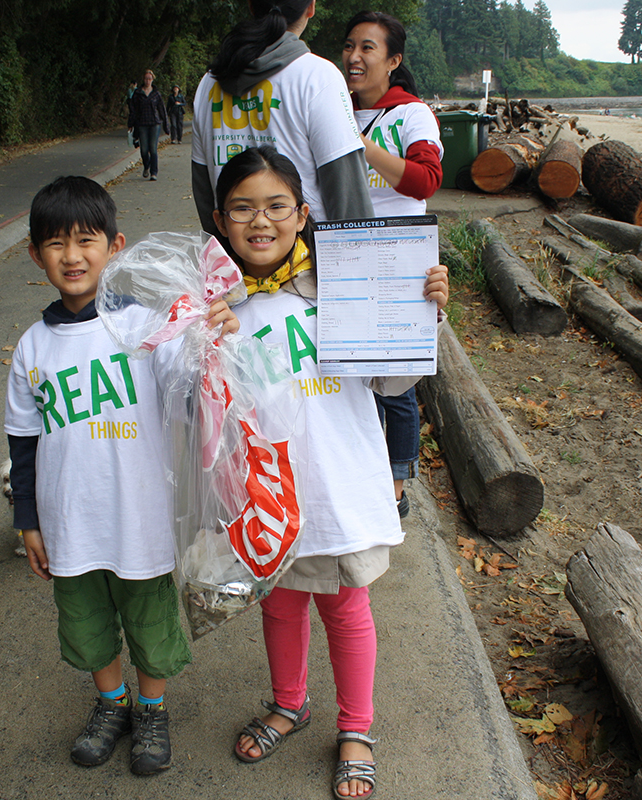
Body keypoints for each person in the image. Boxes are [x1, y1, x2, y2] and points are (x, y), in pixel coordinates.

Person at [211, 146, 448, 800]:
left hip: (339, 488)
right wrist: (195, 341)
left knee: (346, 608)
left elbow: (392, 379)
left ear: (303, 213)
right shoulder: (218, 309)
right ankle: (289, 704)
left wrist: (422, 313)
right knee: (281, 603)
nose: (261, 221)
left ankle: (357, 728)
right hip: (270, 498)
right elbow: (202, 410)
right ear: (220, 219)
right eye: (243, 208)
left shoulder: (345, 285)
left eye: (276, 206)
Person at [4, 176, 237, 776]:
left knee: (149, 619)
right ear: (35, 255)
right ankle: (112, 702)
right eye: (55, 244)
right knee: (85, 621)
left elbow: (192, 392)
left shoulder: (146, 329)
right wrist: (28, 520)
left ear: (115, 245)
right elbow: (23, 443)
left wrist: (208, 335)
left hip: (141, 517)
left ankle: (152, 709)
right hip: (69, 521)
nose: (72, 256)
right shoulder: (33, 347)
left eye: (86, 240)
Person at [342, 11, 445, 519]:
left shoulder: (411, 114)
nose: (355, 58)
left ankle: (397, 485)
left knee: (397, 381)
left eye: (368, 48)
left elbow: (426, 181)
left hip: (400, 261)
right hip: (343, 259)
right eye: (350, 47)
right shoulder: (334, 106)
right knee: (349, 375)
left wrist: (364, 148)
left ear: (393, 60)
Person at [191, 0, 374, 234]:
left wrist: (225, 263)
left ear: (251, 5)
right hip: (305, 263)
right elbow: (348, 196)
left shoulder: (210, 82)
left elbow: (205, 191)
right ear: (311, 8)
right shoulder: (318, 77)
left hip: (235, 260)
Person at [129, 70, 168, 180]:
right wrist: (131, 123)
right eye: (146, 78)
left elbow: (162, 109)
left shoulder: (156, 93)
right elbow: (133, 109)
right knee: (144, 149)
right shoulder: (137, 93)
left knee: (153, 148)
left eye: (149, 79)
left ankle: (154, 172)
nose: (147, 81)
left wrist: (166, 126)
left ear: (152, 79)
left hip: (154, 123)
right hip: (142, 123)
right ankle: (147, 165)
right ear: (143, 79)